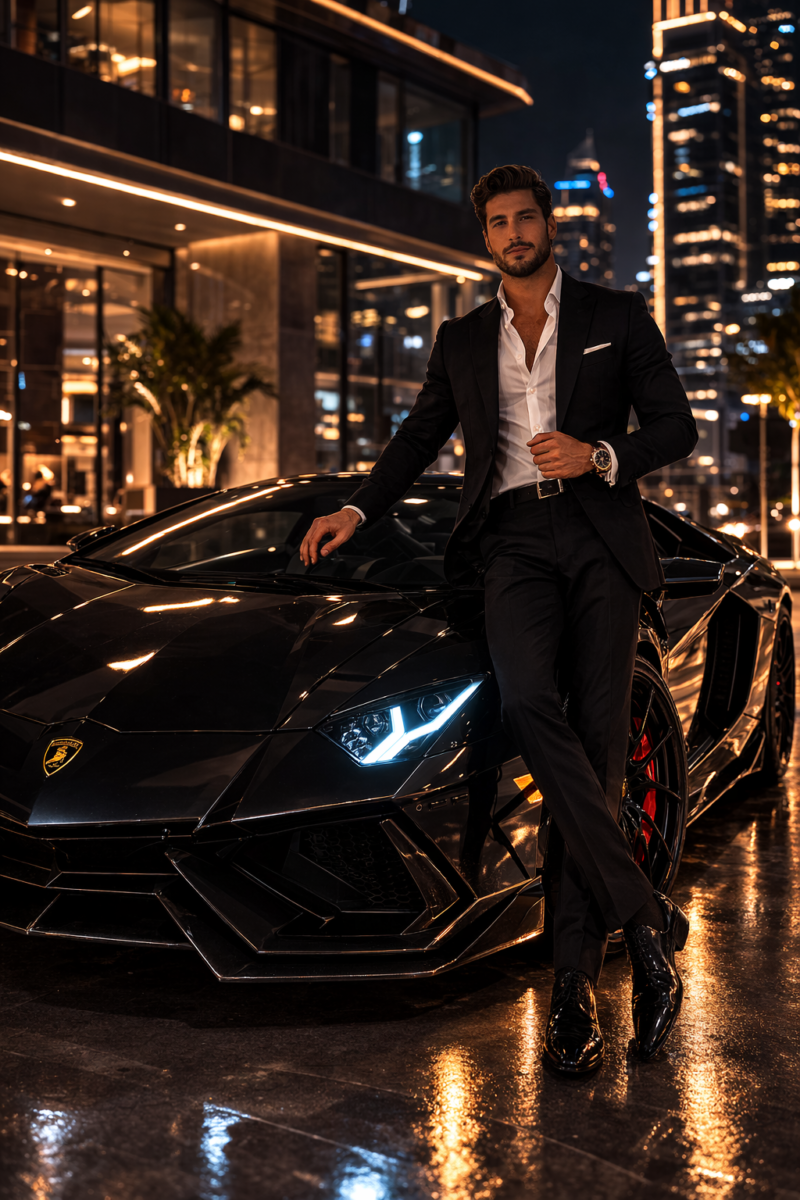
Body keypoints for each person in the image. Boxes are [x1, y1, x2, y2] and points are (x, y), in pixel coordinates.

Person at [300, 164, 697, 1076]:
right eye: (499, 222)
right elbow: (416, 438)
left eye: (527, 217)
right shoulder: (463, 338)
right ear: (484, 239)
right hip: (512, 543)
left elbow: (674, 428)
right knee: (525, 703)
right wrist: (357, 510)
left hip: (600, 535)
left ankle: (571, 989)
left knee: (596, 758)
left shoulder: (616, 315)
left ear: (549, 225)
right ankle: (644, 919)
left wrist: (600, 453)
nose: (515, 232)